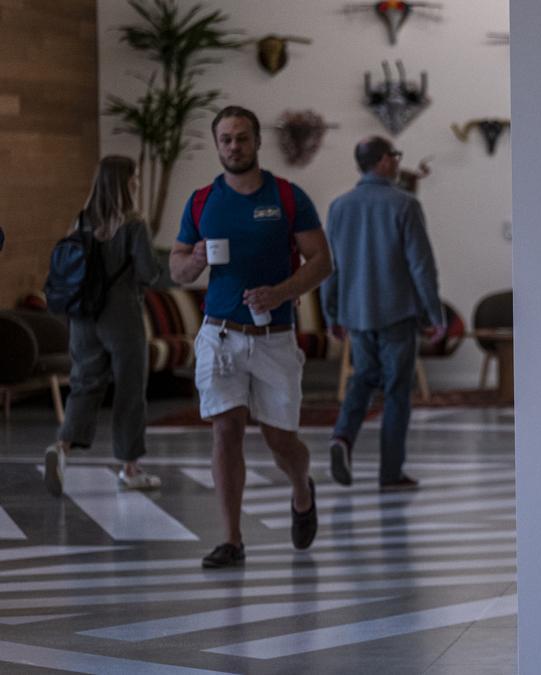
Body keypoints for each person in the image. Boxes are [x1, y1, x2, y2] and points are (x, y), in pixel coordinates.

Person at [169, 106, 332, 569]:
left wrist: (281, 292)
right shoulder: (202, 201)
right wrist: (195, 260)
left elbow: (321, 261)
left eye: (241, 138)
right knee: (226, 431)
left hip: (274, 336)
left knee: (281, 441)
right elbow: (177, 267)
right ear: (217, 145)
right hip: (219, 335)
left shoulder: (287, 196)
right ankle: (231, 540)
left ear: (257, 142)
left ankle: (302, 488)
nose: (234, 147)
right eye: (225, 139)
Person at [322, 136, 444, 491]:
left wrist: (331, 313)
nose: (397, 162)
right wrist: (434, 314)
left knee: (363, 376)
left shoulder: (339, 207)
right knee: (396, 390)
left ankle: (342, 437)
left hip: (355, 313)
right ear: (381, 161)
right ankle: (391, 472)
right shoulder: (404, 204)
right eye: (395, 155)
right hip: (396, 313)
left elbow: (332, 266)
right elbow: (420, 264)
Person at [44, 155, 163, 497]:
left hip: (82, 318)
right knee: (130, 391)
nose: (137, 183)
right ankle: (130, 467)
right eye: (134, 178)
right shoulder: (133, 224)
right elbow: (147, 273)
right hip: (122, 317)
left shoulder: (80, 221)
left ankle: (62, 447)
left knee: (84, 384)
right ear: (126, 182)